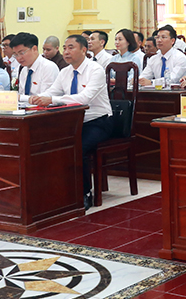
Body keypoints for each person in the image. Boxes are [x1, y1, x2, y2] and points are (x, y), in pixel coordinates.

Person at [29, 34, 112, 209]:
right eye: (64, 48)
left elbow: (84, 98)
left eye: (71, 47)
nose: (66, 52)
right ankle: (58, 190)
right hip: (72, 122)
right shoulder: (65, 72)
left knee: (77, 147)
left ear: (84, 49)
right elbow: (51, 92)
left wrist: (52, 100)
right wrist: (35, 99)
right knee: (49, 144)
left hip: (97, 121)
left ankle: (84, 193)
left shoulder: (95, 70)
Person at [10, 32, 59, 98]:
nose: (18, 58)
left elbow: (46, 97)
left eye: (21, 53)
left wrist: (21, 98)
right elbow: (21, 94)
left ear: (34, 49)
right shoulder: (24, 70)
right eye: (15, 54)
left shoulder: (49, 67)